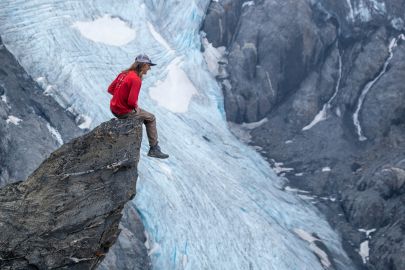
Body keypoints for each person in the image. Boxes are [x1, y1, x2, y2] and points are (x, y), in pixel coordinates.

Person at [108, 54, 169, 159]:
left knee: (142, 115)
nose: (149, 68)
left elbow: (110, 89)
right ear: (144, 65)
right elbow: (131, 102)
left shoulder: (123, 74)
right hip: (123, 111)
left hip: (114, 108)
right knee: (151, 118)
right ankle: (154, 148)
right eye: (149, 65)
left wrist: (120, 97)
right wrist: (135, 107)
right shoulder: (136, 79)